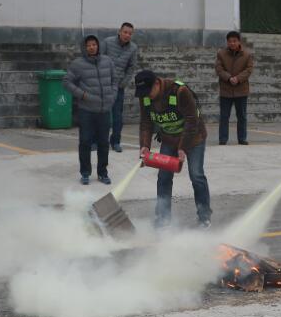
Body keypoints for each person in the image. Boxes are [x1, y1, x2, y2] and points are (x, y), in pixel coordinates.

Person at [135, 70, 212, 229]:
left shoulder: (179, 91)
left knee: (196, 175)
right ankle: (163, 217)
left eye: (148, 91)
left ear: (157, 83)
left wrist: (183, 148)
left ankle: (204, 216)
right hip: (169, 139)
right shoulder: (145, 97)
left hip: (193, 138)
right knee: (163, 177)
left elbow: (192, 121)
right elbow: (146, 123)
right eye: (143, 93)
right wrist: (145, 146)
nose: (147, 96)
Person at [63, 35, 118, 185]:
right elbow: (66, 81)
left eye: (94, 44)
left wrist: (112, 96)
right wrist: (82, 95)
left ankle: (103, 173)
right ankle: (85, 173)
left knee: (104, 143)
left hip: (104, 110)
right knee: (85, 142)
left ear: (98, 46)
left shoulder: (107, 61)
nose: (92, 47)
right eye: (88, 45)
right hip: (86, 110)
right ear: (84, 47)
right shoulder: (78, 64)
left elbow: (115, 80)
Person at [102, 22, 139, 154]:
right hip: (103, 84)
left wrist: (123, 83)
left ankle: (115, 142)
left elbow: (131, 67)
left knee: (117, 116)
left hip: (118, 86)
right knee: (101, 114)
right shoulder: (107, 42)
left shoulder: (133, 48)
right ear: (119, 32)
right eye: (125, 32)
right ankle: (98, 141)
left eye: (130, 33)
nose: (127, 35)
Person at [215, 30, 254, 146]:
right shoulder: (221, 54)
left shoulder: (247, 55)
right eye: (230, 41)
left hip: (241, 90)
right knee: (224, 116)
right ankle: (223, 139)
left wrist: (238, 78)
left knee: (242, 116)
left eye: (234, 41)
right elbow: (219, 69)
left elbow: (249, 69)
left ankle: (242, 138)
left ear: (239, 42)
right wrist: (228, 78)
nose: (232, 43)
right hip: (226, 90)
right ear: (227, 42)